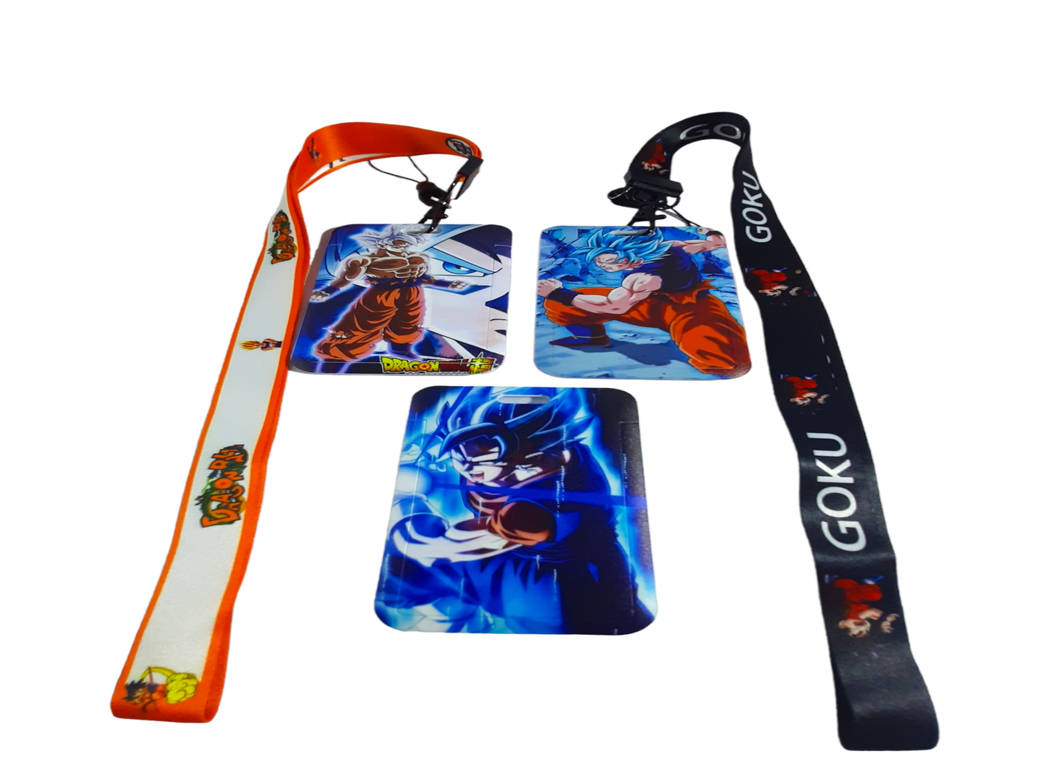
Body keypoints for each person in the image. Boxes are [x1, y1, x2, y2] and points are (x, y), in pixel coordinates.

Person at [376, 388, 654, 634]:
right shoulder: (491, 464)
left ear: (534, 450)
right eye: (458, 454)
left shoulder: (555, 496)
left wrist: (418, 528)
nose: (467, 466)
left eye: (480, 455)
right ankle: (450, 614)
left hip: (560, 589)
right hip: (508, 568)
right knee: (406, 573)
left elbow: (461, 543)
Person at [538, 228, 750, 376]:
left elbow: (613, 306)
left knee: (720, 356)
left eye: (610, 262)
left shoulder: (640, 279)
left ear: (633, 257)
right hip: (650, 304)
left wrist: (559, 293)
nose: (603, 266)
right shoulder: (672, 246)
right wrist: (711, 233)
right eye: (599, 260)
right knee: (561, 306)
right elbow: (713, 244)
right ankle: (591, 337)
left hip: (692, 308)